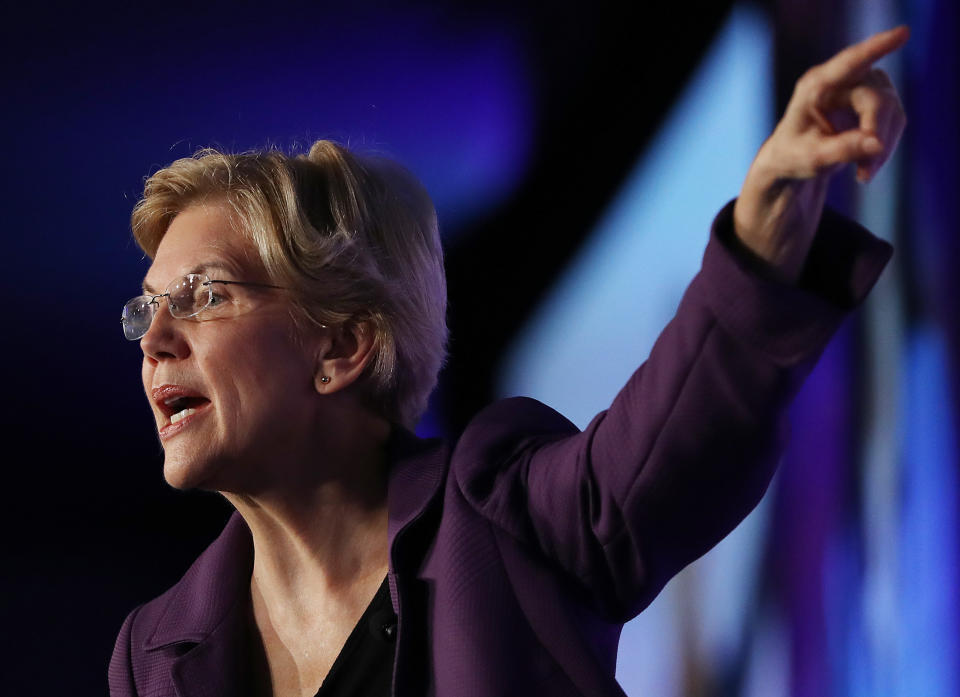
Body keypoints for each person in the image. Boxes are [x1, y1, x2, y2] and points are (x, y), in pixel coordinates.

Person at [109, 27, 908, 697]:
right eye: (148, 308)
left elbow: (674, 440)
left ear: (342, 347)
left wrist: (766, 232)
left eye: (204, 295)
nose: (155, 338)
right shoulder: (152, 655)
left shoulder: (498, 517)